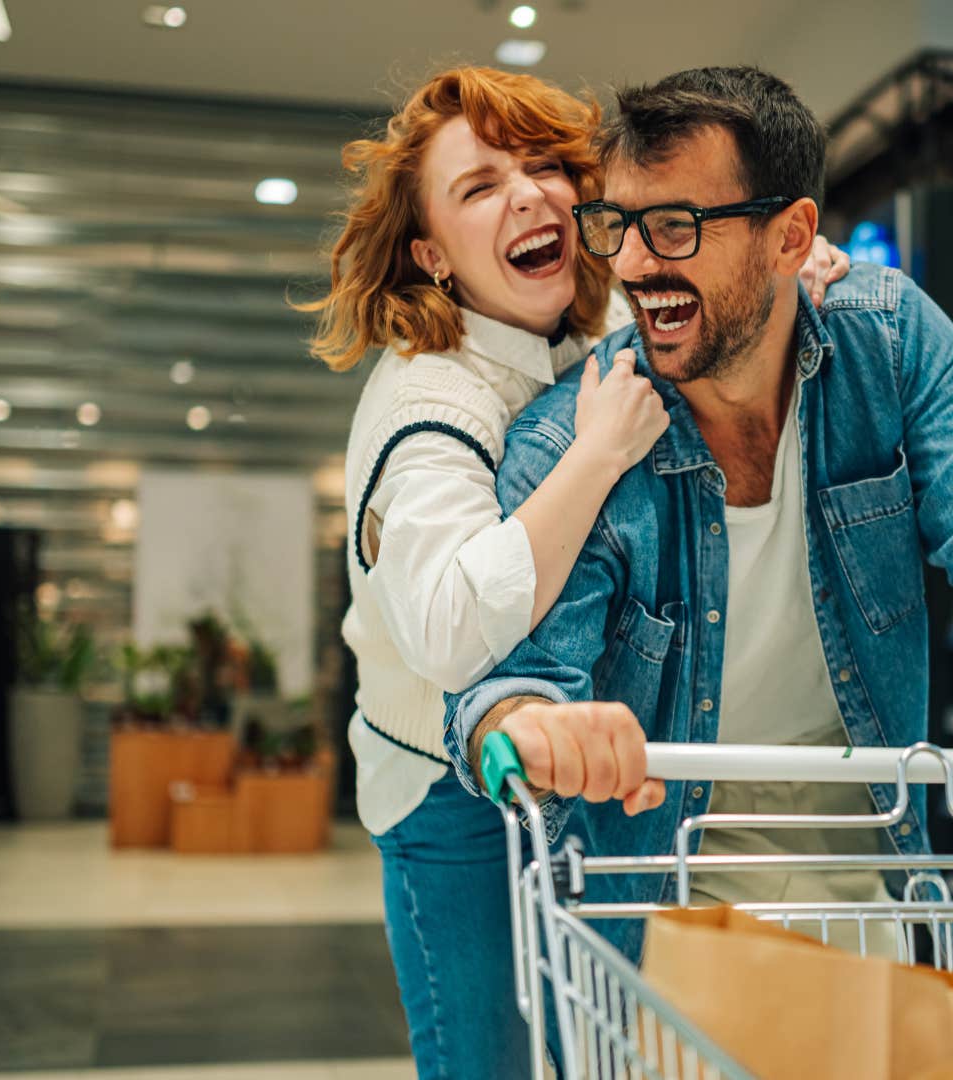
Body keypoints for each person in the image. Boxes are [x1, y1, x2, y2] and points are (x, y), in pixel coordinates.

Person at [445, 66, 953, 966]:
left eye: (675, 226)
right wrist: (539, 727)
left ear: (792, 237)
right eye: (616, 226)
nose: (630, 263)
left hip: (876, 900)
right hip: (662, 924)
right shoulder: (569, 445)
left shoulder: (889, 347)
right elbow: (510, 686)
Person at [299, 66, 847, 1077]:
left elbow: (701, 306)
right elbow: (452, 629)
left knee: (588, 1042)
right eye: (479, 187)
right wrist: (595, 457)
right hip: (445, 790)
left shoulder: (571, 327)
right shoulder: (430, 406)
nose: (529, 195)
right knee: (486, 1059)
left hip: (568, 752)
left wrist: (778, 275)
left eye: (546, 165)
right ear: (432, 254)